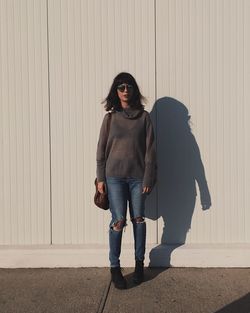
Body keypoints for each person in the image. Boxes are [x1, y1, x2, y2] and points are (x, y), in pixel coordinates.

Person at [96, 72, 157, 289]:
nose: (125, 90)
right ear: (115, 91)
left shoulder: (144, 117)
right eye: (120, 87)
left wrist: (149, 176)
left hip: (138, 178)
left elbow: (150, 151)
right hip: (114, 178)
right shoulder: (110, 118)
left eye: (128, 86)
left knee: (139, 219)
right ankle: (115, 267)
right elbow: (101, 150)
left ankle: (139, 264)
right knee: (118, 221)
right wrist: (100, 178)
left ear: (134, 89)